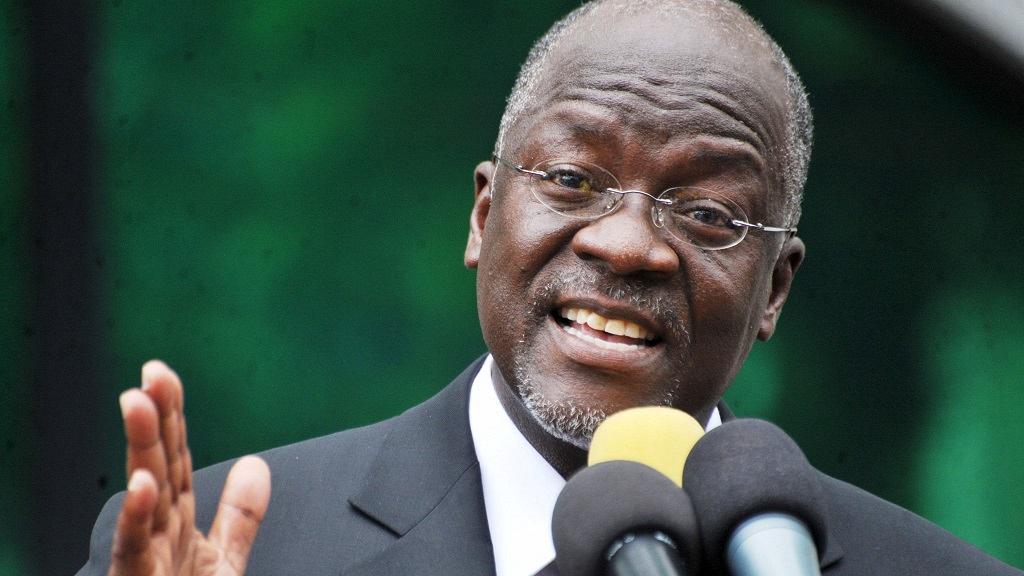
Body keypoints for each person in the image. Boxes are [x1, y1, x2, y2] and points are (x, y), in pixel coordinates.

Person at [78, 1, 1022, 575]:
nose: (626, 245)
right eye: (571, 180)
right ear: (484, 216)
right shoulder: (238, 552)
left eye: (706, 214)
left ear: (773, 288)